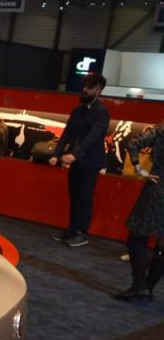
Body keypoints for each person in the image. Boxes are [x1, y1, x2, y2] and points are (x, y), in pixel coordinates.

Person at [49, 73, 109, 248]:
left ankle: (82, 233)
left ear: (98, 90)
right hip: (75, 161)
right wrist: (56, 154)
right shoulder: (77, 110)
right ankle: (72, 229)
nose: (85, 90)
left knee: (85, 196)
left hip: (91, 161)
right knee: (74, 196)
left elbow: (93, 137)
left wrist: (75, 154)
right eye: (84, 86)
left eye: (89, 87)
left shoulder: (102, 112)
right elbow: (67, 133)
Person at [115, 122, 164, 301]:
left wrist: (139, 169)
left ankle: (139, 285)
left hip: (157, 188)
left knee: (136, 236)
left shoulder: (160, 130)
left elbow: (133, 143)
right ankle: (148, 287)